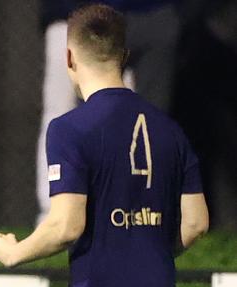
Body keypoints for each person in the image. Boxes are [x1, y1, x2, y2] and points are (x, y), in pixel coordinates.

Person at [0, 4, 208, 287]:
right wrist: (146, 249)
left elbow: (66, 225)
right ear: (126, 56)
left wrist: (15, 252)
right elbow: (195, 223)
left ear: (69, 57)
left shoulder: (70, 129)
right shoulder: (169, 129)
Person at [35, 0, 181, 224]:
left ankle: (133, 211)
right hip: (74, 14)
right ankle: (53, 212)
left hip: (145, 12)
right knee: (61, 113)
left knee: (138, 123)